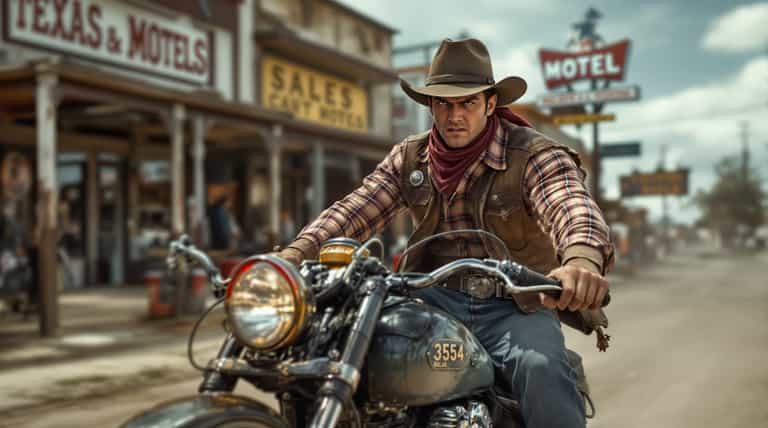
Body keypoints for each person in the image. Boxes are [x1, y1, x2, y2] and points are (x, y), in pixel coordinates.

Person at [278, 38, 614, 428]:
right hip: (430, 299)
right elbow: (356, 209)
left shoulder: (534, 154)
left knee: (542, 368)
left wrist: (580, 259)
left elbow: (570, 205)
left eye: (467, 102)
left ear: (491, 104)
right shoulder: (409, 157)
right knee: (342, 350)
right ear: (430, 107)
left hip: (515, 303)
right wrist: (293, 255)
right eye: (443, 103)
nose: (455, 115)